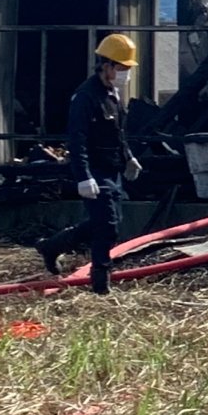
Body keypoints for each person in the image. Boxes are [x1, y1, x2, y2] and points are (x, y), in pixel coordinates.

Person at [36, 33, 141, 295]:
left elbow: (118, 133)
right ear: (106, 66)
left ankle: (52, 246)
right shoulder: (86, 97)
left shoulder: (112, 95)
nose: (125, 74)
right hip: (95, 170)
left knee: (104, 222)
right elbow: (77, 139)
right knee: (107, 228)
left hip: (111, 168)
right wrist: (83, 175)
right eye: (122, 68)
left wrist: (128, 156)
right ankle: (100, 283)